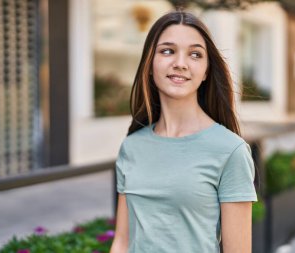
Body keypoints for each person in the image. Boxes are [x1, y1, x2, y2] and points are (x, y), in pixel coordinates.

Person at [110, 10, 257, 253]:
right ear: (149, 63)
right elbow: (122, 242)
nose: (180, 63)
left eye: (195, 54)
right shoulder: (132, 147)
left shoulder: (230, 150)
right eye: (167, 51)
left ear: (206, 71)